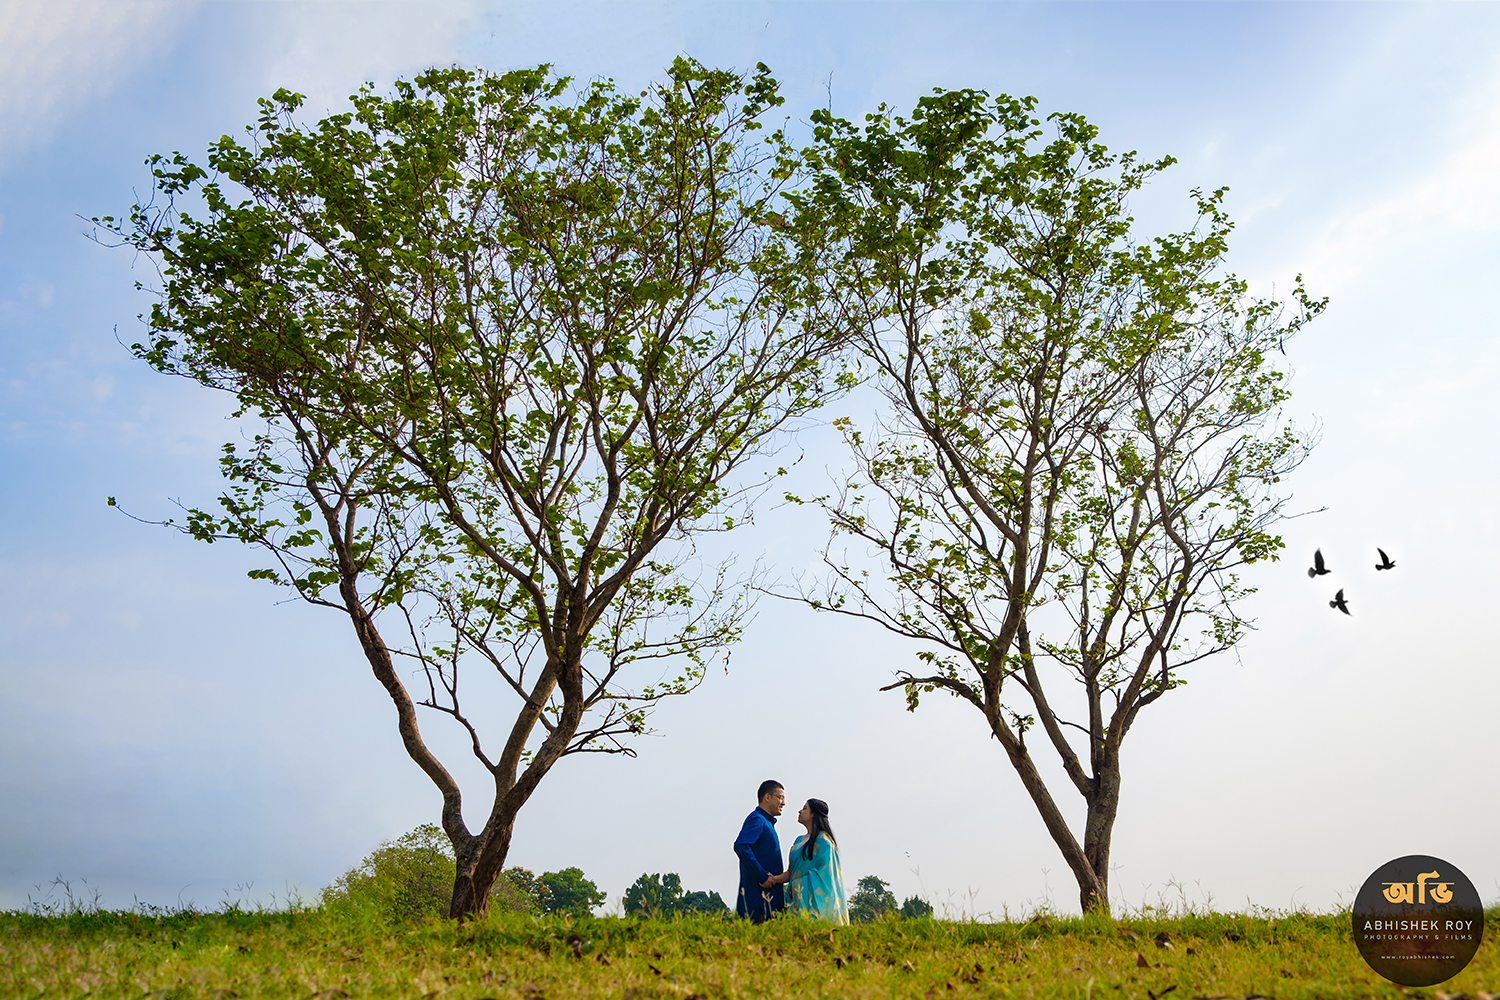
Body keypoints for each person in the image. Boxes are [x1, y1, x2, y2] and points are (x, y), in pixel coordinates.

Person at [785, 798, 848, 923]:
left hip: (815, 905)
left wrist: (798, 885)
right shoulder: (798, 841)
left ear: (813, 814)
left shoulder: (824, 842)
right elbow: (791, 872)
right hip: (794, 901)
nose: (800, 811)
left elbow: (826, 875)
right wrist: (772, 879)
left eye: (804, 809)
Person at [733, 779, 789, 922]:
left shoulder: (767, 823)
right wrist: (762, 875)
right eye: (780, 797)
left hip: (770, 899)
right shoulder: (757, 820)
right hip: (758, 901)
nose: (783, 803)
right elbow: (741, 846)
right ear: (767, 797)